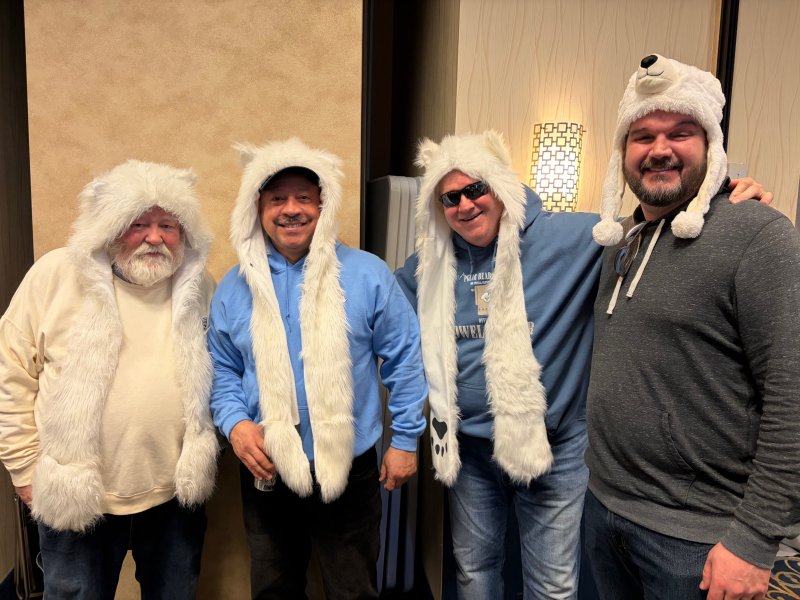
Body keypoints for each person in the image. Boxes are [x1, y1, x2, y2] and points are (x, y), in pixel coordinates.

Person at [394, 129, 770, 598]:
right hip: (470, 450)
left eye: (476, 188)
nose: (465, 205)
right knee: (473, 569)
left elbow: (657, 232)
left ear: (500, 185)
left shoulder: (573, 237)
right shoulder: (429, 265)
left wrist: (719, 202)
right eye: (450, 198)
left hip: (557, 447)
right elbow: (384, 311)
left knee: (552, 582)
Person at [585, 54, 800, 600]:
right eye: (642, 136)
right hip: (603, 508)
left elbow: (792, 394)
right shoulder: (619, 241)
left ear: (710, 145)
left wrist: (755, 539)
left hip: (700, 539)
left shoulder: (758, 236)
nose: (659, 149)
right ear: (623, 151)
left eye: (680, 132)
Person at [208, 137, 427, 599]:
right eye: (277, 199)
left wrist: (405, 440)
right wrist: (235, 425)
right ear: (258, 209)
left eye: (304, 198)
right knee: (274, 589)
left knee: (353, 589)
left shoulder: (367, 274)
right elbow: (222, 369)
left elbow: (405, 358)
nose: (291, 210)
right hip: (266, 465)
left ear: (323, 206)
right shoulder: (233, 287)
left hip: (351, 466)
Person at [0, 160, 219, 599]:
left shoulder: (199, 285)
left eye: (167, 225)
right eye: (138, 224)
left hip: (174, 497)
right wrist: (23, 468)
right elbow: (11, 373)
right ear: (110, 227)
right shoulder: (56, 274)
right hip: (77, 496)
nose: (154, 237)